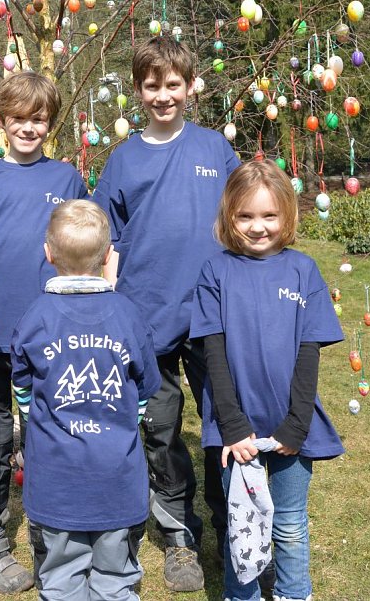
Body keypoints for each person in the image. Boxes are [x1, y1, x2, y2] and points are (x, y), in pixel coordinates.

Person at [92, 36, 240, 592]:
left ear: (190, 86)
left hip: (213, 315)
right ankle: (179, 539)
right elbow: (106, 238)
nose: (162, 95)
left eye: (172, 84)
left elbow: (241, 221)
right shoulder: (124, 158)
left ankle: (233, 531)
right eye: (151, 86)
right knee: (160, 430)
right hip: (144, 318)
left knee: (227, 424)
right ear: (137, 90)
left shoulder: (213, 150)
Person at [0, 71, 88, 594]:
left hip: (51, 339)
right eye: (19, 118)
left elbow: (85, 249)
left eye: (39, 119)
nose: (29, 127)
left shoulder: (68, 180)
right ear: (2, 120)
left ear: (50, 123)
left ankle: (50, 529)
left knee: (49, 436)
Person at [190, 159, 344, 601]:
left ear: (287, 216)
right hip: (234, 431)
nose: (258, 227)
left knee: (290, 525)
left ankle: (295, 594)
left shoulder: (304, 271)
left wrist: (296, 425)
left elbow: (308, 354)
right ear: (228, 217)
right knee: (242, 524)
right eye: (246, 216)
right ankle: (243, 595)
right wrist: (233, 427)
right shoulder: (214, 272)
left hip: (291, 429)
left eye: (269, 216)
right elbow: (213, 356)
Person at [10, 200, 161, 601]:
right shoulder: (129, 315)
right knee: (115, 581)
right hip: (117, 474)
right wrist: (127, 418)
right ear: (108, 255)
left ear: (48, 253)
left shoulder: (34, 318)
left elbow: (23, 389)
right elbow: (145, 390)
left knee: (60, 580)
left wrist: (36, 418)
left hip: (55, 479)